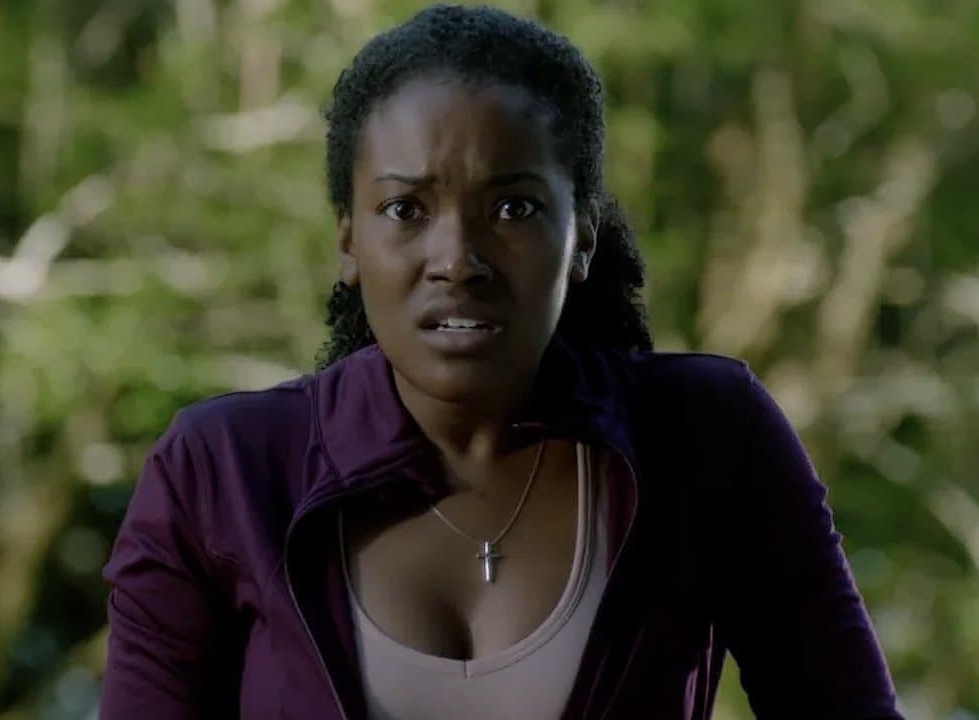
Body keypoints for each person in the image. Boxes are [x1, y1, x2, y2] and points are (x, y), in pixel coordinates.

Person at [100, 5, 902, 719]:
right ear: (347, 238)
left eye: (514, 207)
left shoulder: (709, 438)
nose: (458, 259)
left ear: (581, 235)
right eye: (405, 209)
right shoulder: (222, 473)